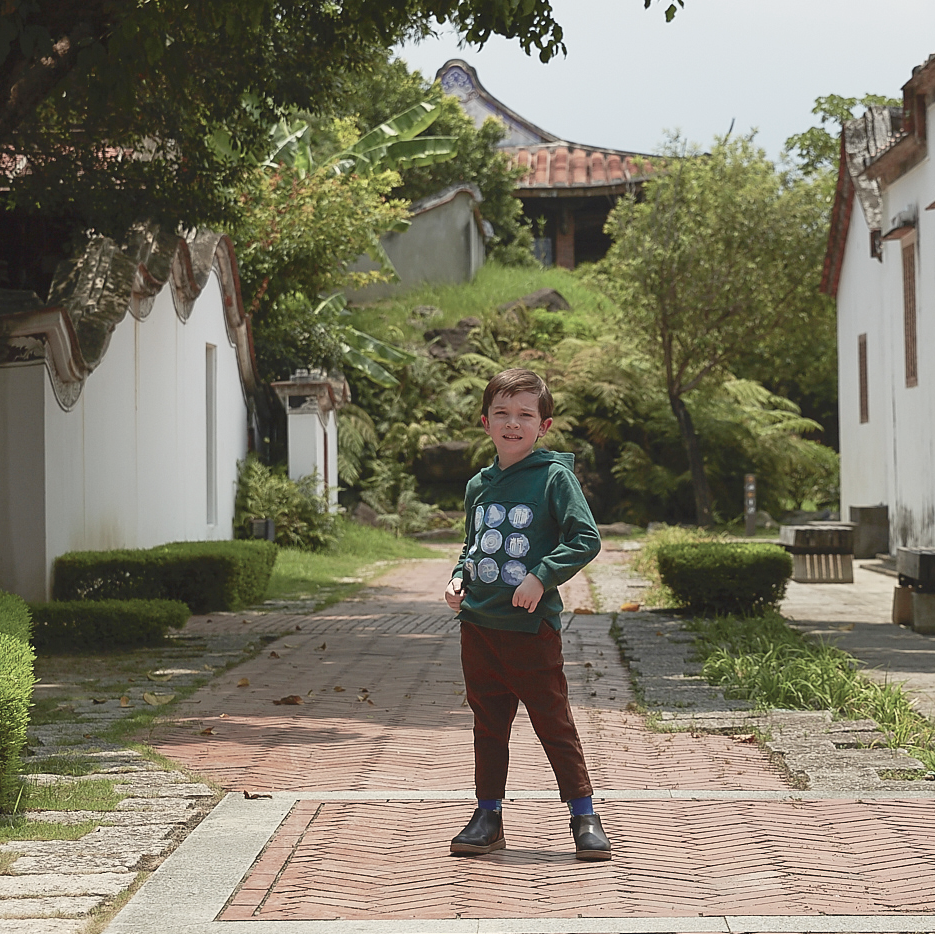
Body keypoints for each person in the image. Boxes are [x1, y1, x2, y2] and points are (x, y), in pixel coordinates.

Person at [444, 367, 611, 861]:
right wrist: (458, 577)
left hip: (530, 629)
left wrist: (541, 575)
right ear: (485, 421)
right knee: (488, 724)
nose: (512, 423)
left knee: (552, 721)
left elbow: (586, 539)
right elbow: (473, 545)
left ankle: (584, 814)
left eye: (524, 415)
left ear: (544, 426)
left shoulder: (554, 478)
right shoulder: (479, 484)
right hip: (478, 626)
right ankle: (487, 815)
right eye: (502, 413)